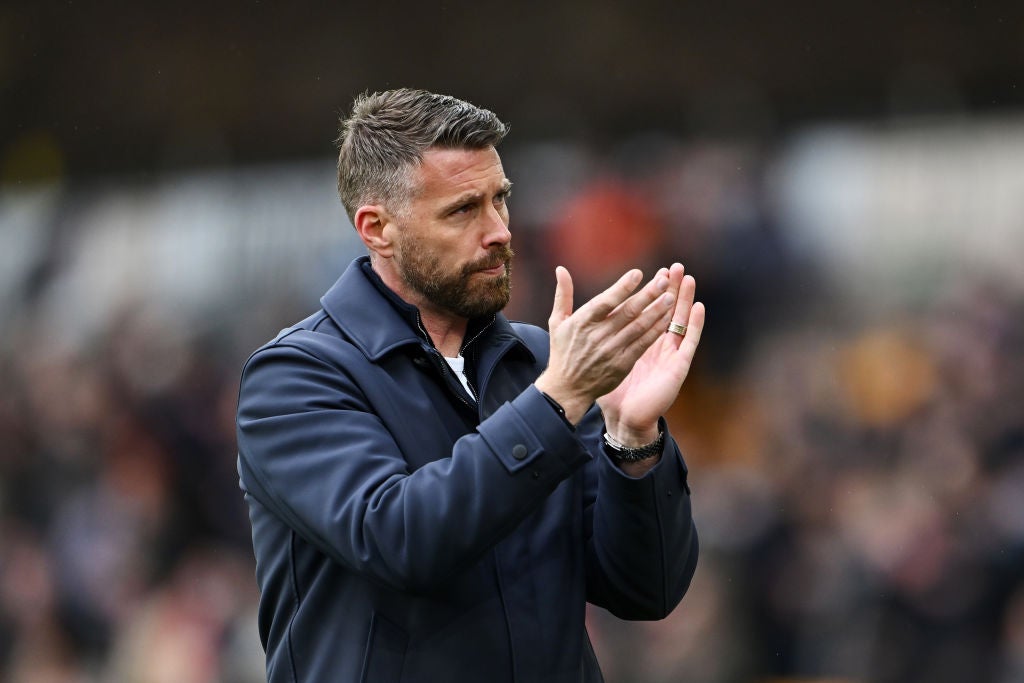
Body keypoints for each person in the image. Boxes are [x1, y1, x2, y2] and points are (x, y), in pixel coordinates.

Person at [236, 88, 706, 683]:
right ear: (376, 229)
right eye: (463, 210)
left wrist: (632, 441)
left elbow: (648, 590)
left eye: (500, 201)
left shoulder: (541, 360)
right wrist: (554, 402)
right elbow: (400, 538)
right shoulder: (294, 376)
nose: (500, 232)